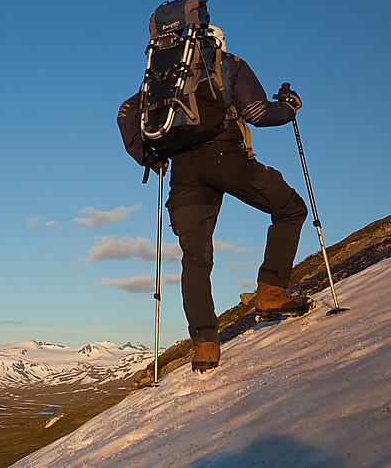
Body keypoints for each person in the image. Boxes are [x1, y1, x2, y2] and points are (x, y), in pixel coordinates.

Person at [117, 24, 310, 372]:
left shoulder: (163, 78)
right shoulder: (228, 63)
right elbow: (258, 114)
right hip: (226, 156)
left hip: (183, 170)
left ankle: (205, 346)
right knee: (290, 209)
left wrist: (149, 157)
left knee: (196, 258)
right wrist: (290, 108)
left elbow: (126, 112)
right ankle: (271, 293)